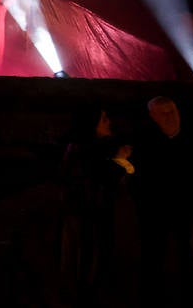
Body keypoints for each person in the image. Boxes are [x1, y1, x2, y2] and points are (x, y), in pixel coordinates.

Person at [131, 96, 193, 304]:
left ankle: (192, 295)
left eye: (173, 111)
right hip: (155, 212)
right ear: (152, 117)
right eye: (163, 113)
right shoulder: (144, 144)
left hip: (188, 210)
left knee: (190, 256)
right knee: (154, 256)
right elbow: (138, 179)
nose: (170, 117)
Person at [60, 105, 135, 306]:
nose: (109, 122)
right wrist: (120, 161)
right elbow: (99, 178)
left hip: (92, 216)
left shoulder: (88, 148)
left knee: (91, 265)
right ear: (91, 124)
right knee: (88, 264)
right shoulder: (85, 150)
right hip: (90, 218)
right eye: (103, 119)